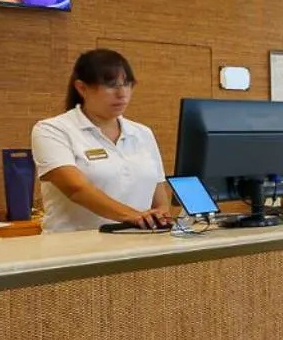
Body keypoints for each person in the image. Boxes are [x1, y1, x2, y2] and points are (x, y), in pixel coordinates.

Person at [31, 48, 175, 231]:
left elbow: (160, 202)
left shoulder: (142, 133)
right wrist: (134, 216)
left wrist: (160, 218)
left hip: (139, 246)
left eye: (127, 84)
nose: (122, 93)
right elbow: (76, 189)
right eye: (111, 85)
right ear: (82, 88)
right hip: (75, 251)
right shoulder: (52, 130)